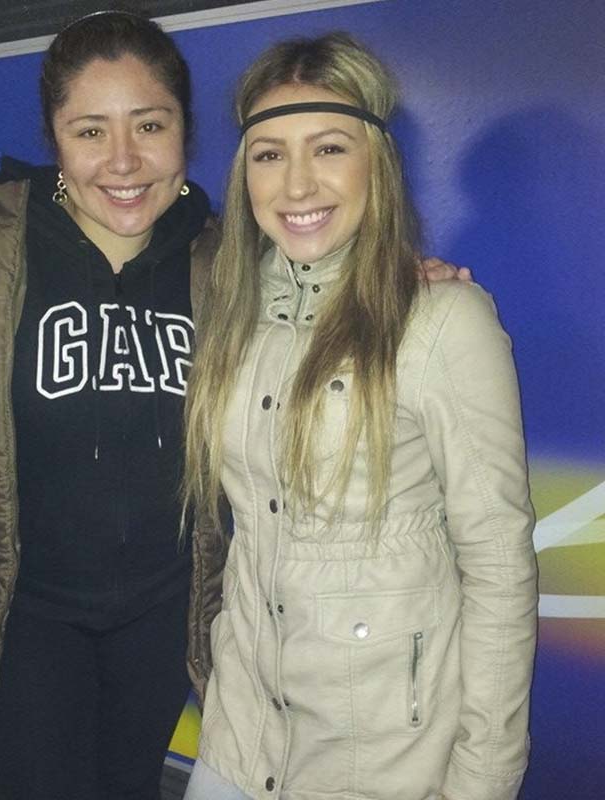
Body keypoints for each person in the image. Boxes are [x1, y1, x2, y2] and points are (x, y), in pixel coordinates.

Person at [0, 11, 468, 800]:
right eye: (90, 132)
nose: (123, 160)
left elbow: (325, 289)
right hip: (23, 617)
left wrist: (404, 284)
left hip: (163, 617)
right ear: (56, 140)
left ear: (185, 130)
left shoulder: (227, 261)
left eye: (149, 125)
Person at [183, 32, 537, 800]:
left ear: (376, 159)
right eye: (269, 154)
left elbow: (500, 567)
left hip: (382, 762)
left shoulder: (442, 322)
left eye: (329, 148)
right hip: (239, 741)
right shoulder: (231, 313)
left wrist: (483, 780)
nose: (297, 183)